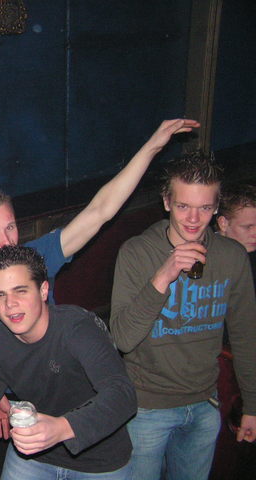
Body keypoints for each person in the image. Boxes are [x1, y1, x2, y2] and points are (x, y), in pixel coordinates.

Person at [0, 118, 201, 443]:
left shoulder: (36, 257)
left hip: (61, 389)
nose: (6, 240)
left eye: (10, 227)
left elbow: (100, 210)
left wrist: (152, 147)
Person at [109, 152, 256, 480]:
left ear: (216, 208)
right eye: (183, 206)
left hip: (205, 403)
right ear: (166, 202)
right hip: (147, 408)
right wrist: (164, 275)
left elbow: (246, 335)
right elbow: (123, 339)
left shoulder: (232, 257)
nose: (193, 219)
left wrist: (252, 406)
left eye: (204, 208)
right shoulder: (137, 252)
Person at [0, 245, 136, 479]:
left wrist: (62, 428)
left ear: (43, 290)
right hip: (35, 455)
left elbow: (123, 395)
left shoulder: (77, 329)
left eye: (20, 291)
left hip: (99, 460)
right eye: (0, 295)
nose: (10, 304)